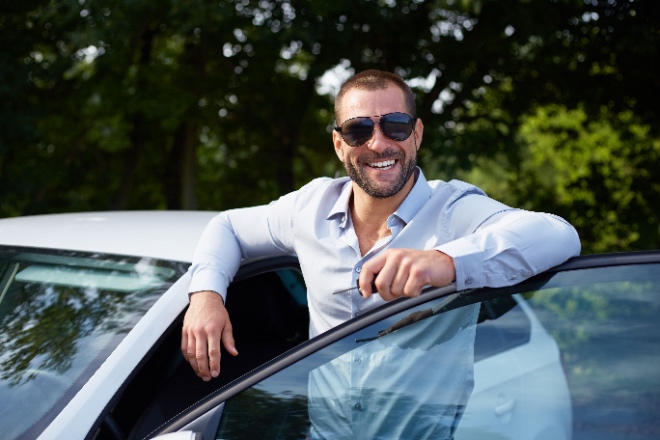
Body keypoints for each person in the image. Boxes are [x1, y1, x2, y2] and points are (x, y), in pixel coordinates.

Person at [181, 69, 581, 384]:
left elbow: (558, 233)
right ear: (339, 145)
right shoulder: (309, 207)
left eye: (396, 125)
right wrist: (205, 296)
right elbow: (227, 227)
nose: (378, 143)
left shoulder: (453, 209)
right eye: (358, 130)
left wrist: (445, 261)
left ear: (417, 134)